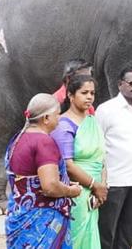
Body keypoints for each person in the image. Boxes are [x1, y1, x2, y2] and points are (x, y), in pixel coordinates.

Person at [5, 93, 82, 249]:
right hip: (42, 218)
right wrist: (70, 190)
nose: (59, 119)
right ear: (46, 118)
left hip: (19, 212)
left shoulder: (18, 138)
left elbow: (27, 178)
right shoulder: (44, 142)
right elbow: (50, 186)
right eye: (57, 114)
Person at [95, 68, 132, 249]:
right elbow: (98, 146)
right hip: (114, 181)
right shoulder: (106, 110)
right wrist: (100, 181)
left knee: (127, 232)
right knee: (107, 232)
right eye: (131, 83)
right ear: (120, 84)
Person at [51, 74, 107, 249]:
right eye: (84, 93)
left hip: (95, 193)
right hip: (75, 191)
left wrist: (102, 187)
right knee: (75, 238)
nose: (89, 97)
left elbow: (101, 158)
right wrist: (94, 185)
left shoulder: (93, 121)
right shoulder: (63, 125)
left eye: (92, 93)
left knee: (90, 237)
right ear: (70, 95)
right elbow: (67, 165)